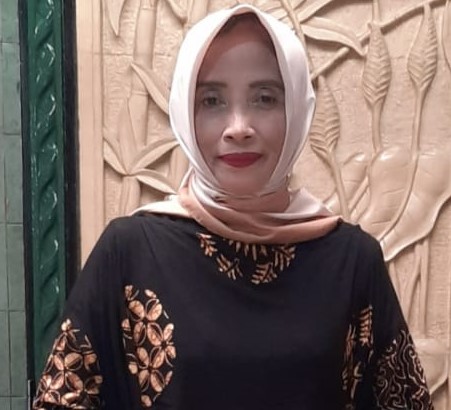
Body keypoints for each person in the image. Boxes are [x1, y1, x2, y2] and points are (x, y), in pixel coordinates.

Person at [33, 4, 433, 409]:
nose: (239, 127)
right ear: (185, 112)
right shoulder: (130, 252)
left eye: (264, 98)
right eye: (212, 100)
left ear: (296, 107)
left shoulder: (352, 261)